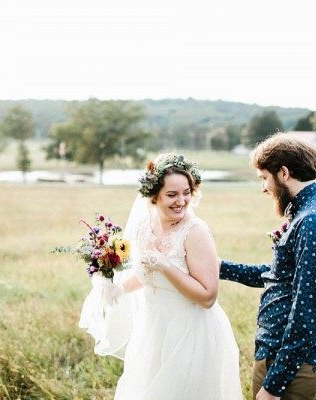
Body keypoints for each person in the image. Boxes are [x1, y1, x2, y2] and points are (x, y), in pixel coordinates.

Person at [79, 153, 243, 400]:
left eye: (186, 192)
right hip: (152, 327)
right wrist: (120, 289)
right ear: (153, 196)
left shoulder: (195, 231)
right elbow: (146, 275)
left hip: (190, 329)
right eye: (172, 194)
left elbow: (208, 296)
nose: (182, 201)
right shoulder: (144, 227)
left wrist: (167, 266)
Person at [219, 133, 316, 400]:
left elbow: (308, 311)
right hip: (301, 361)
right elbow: (280, 277)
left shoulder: (313, 221)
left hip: (295, 366)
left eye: (264, 178)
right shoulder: (314, 209)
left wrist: (273, 386)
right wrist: (220, 267)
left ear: (284, 173)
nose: (263, 188)